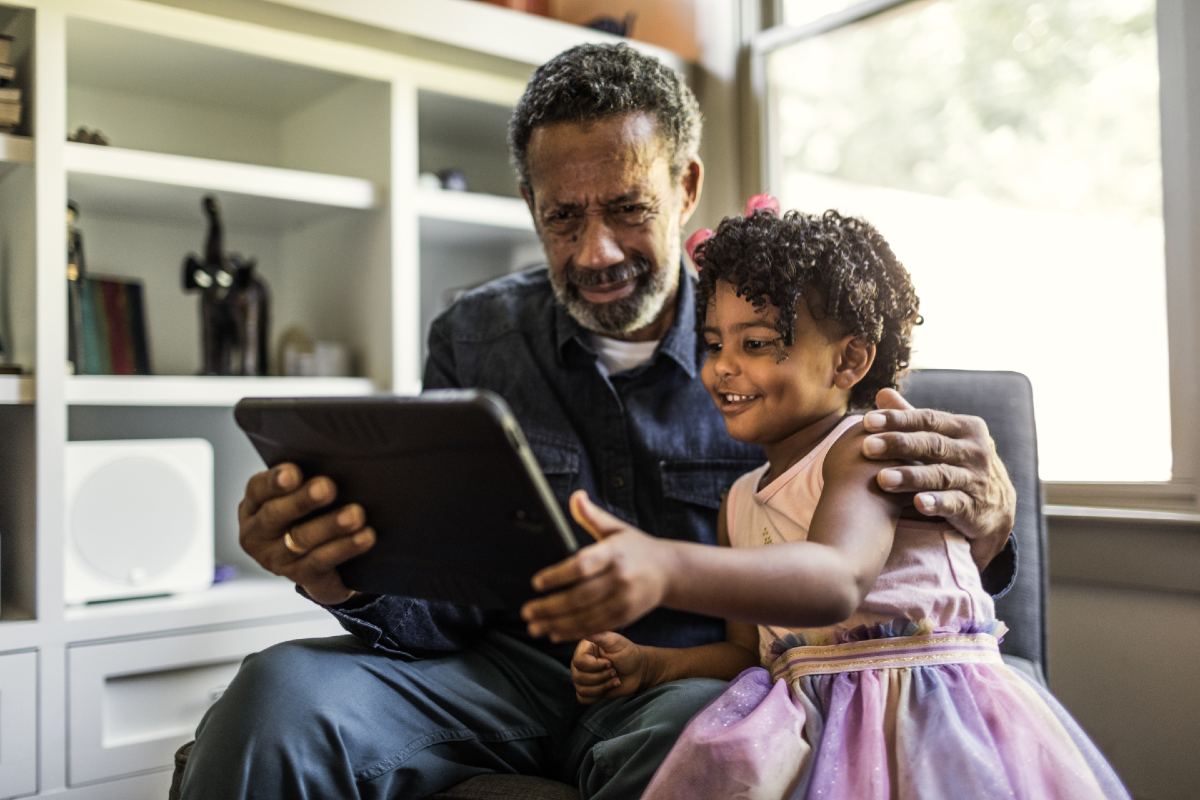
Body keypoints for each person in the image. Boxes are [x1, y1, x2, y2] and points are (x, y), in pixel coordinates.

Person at [180, 44, 1017, 799]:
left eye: (627, 208)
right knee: (277, 693)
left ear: (685, 187)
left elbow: (879, 554)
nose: (596, 254)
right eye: (563, 217)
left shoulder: (789, 347)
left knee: (707, 746)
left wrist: (990, 527)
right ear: (528, 203)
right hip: (496, 671)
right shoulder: (473, 336)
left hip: (694, 678)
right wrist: (344, 576)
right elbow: (443, 603)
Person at [524, 205, 1128, 799]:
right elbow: (747, 652)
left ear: (849, 361)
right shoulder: (739, 501)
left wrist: (666, 568)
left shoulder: (867, 446)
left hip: (921, 713)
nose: (722, 368)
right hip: (819, 716)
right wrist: (652, 665)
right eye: (713, 344)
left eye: (756, 343)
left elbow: (834, 579)